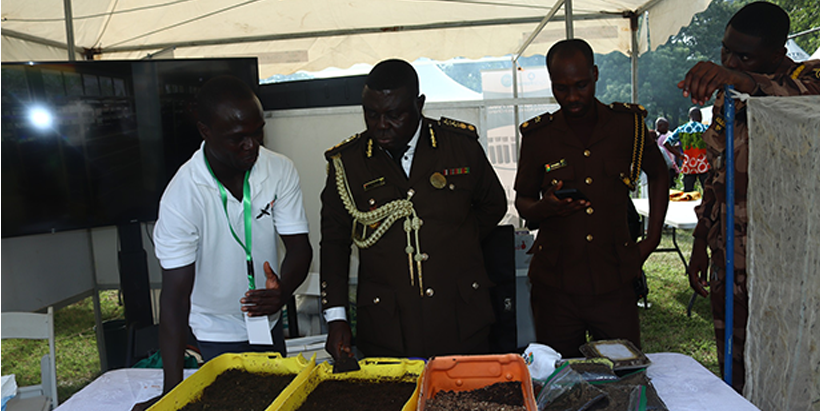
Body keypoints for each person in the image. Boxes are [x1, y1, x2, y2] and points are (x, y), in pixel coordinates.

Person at [131, 76, 312, 410]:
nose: (252, 145)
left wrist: (283, 292)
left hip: (268, 324)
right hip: (214, 334)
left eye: (258, 132)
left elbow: (300, 248)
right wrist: (173, 393)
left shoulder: (279, 170)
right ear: (205, 131)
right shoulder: (183, 196)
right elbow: (174, 299)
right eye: (237, 137)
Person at [320, 59, 507, 360]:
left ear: (419, 104)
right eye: (372, 114)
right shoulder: (349, 164)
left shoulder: (459, 146)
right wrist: (336, 317)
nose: (381, 125)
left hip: (459, 317)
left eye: (394, 115)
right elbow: (334, 244)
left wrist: (454, 241)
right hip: (387, 326)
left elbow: (493, 205)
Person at [680, 1, 820, 393]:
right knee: (734, 368)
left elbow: (799, 97)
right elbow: (716, 177)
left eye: (744, 56)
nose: (729, 61)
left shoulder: (806, 81)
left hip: (784, 269)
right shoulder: (728, 97)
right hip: (730, 260)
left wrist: (741, 79)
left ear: (777, 54)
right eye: (726, 50)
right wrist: (700, 243)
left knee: (786, 369)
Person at [514, 39, 669, 358]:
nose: (572, 97)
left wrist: (652, 239)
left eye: (581, 85)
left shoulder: (628, 127)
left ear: (595, 74)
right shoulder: (539, 136)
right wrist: (546, 207)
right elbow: (524, 201)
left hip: (614, 279)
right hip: (556, 286)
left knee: (624, 373)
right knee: (559, 377)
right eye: (561, 88)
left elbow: (659, 174)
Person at [663, 107, 709, 192]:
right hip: (704, 164)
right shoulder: (706, 129)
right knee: (707, 191)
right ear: (700, 117)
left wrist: (679, 155)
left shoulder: (681, 129)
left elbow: (666, 143)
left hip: (688, 165)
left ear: (689, 116)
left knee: (688, 192)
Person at [653, 117, 679, 188]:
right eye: (665, 127)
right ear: (659, 126)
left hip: (661, 168)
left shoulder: (654, 137)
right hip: (667, 167)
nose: (667, 129)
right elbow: (671, 155)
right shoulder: (665, 137)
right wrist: (676, 168)